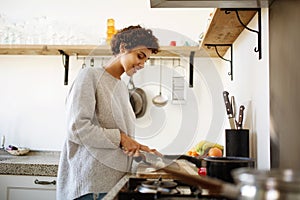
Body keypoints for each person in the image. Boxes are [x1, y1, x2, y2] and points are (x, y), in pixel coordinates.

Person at [57, 25, 161, 200]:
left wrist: (137, 147)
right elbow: (77, 128)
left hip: (114, 184)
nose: (142, 64)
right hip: (91, 187)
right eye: (140, 56)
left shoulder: (121, 86)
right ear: (123, 48)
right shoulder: (89, 76)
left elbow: (116, 135)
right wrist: (121, 138)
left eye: (146, 60)